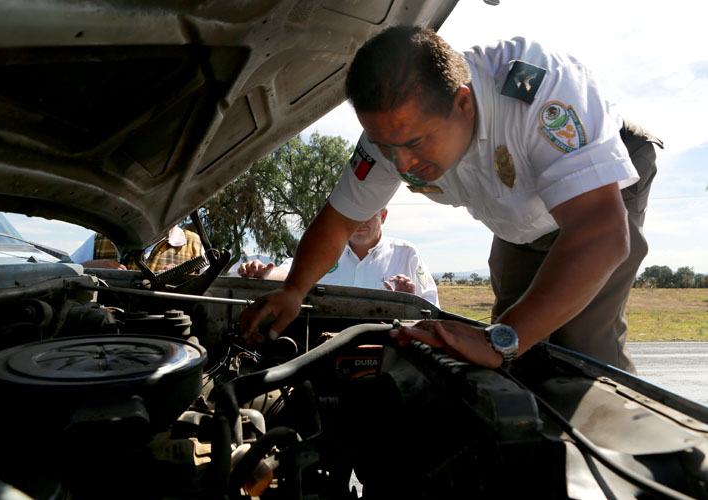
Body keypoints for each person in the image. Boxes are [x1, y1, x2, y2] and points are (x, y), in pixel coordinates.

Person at [239, 27, 661, 373]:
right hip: (517, 216)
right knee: (517, 349)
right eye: (387, 147)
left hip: (600, 190)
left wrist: (502, 342)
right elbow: (338, 221)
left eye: (415, 143)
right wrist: (294, 291)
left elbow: (601, 234)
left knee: (582, 348)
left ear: (462, 103)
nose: (400, 163)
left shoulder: (539, 92)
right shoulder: (394, 130)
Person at [237, 208, 440, 306]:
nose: (359, 219)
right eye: (354, 211)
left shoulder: (406, 254)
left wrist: (410, 301)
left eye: (368, 211)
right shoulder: (323, 250)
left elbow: (431, 309)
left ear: (384, 216)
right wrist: (265, 273)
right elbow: (290, 272)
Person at [71, 225, 205, 272]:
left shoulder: (194, 244)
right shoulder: (101, 239)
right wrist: (89, 268)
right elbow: (60, 273)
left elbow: (212, 292)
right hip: (107, 332)